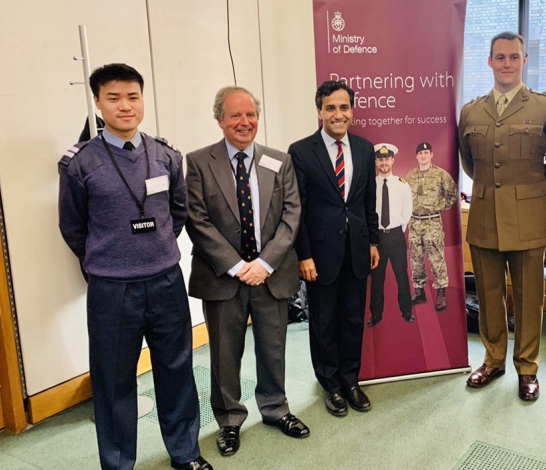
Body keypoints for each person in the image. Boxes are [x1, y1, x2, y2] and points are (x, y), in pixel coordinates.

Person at [58, 64, 211, 470]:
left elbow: (177, 213)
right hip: (112, 289)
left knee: (176, 369)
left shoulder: (165, 154)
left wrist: (154, 249)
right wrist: (106, 259)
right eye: (114, 98)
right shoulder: (81, 163)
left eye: (133, 96)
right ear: (97, 102)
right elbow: (73, 226)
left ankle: (185, 453)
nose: (125, 106)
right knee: (114, 381)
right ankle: (118, 463)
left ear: (142, 99)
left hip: (165, 281)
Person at [185, 87, 309, 458]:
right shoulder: (198, 162)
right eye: (235, 115)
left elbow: (292, 215)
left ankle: (275, 409)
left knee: (273, 348)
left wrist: (265, 263)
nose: (244, 122)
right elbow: (197, 220)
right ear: (220, 120)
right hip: (223, 276)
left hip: (272, 274)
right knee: (225, 353)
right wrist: (238, 266)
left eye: (251, 114)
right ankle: (229, 420)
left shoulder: (279, 161)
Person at [457, 32, 546, 401]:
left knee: (528, 297)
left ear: (524, 61)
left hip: (529, 216)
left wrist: (528, 189)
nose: (506, 63)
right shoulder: (470, 111)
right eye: (500, 57)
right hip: (486, 215)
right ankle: (493, 360)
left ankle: (527, 367)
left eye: (514, 57)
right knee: (489, 295)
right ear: (489, 61)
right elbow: (469, 162)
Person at [287, 80, 379, 417]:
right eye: (331, 108)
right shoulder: (301, 151)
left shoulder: (365, 149)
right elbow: (296, 208)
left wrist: (372, 241)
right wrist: (304, 255)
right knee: (323, 322)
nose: (338, 114)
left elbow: (367, 202)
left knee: (353, 318)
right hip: (320, 254)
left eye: (344, 107)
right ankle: (330, 384)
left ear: (352, 111)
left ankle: (350, 380)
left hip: (357, 249)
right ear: (319, 112)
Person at [405, 142, 458, 311]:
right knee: (416, 259)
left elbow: (452, 193)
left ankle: (441, 292)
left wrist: (441, 205)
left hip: (432, 222)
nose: (423, 156)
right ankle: (419, 291)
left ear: (431, 155)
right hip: (415, 222)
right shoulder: (410, 176)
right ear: (416, 156)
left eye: (426, 153)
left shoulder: (440, 174)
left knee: (437, 259)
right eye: (420, 153)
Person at [368, 143, 414, 326]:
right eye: (380, 159)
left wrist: (398, 229)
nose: (384, 162)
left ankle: (407, 311)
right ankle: (376, 315)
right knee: (377, 278)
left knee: (401, 275)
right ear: (376, 161)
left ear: (393, 160)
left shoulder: (402, 184)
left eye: (387, 158)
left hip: (395, 235)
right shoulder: (370, 184)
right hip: (376, 238)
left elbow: (407, 210)